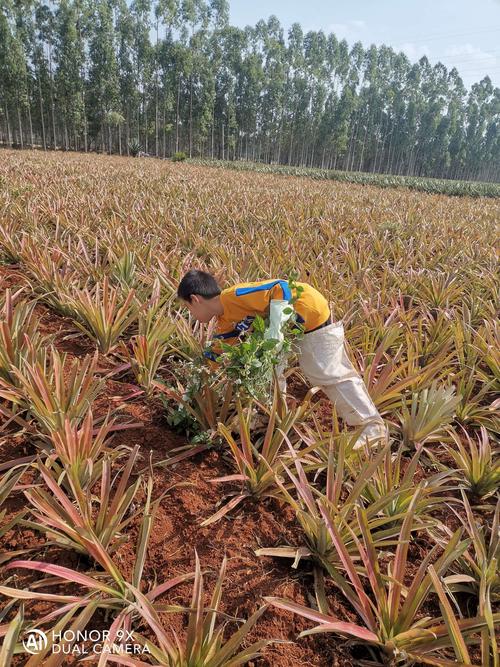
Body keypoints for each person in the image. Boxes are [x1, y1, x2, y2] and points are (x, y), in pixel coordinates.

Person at [176, 269, 388, 448]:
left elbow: (281, 288)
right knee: (266, 371)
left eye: (188, 308)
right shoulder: (225, 320)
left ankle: (372, 427)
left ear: (195, 299)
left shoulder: (234, 295)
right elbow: (218, 350)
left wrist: (276, 326)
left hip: (311, 317)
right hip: (293, 330)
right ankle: (272, 417)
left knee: (326, 373)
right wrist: (194, 386)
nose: (191, 314)